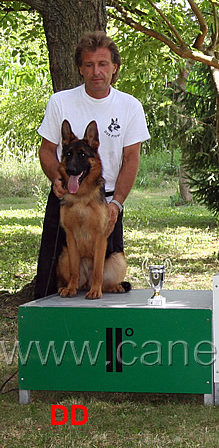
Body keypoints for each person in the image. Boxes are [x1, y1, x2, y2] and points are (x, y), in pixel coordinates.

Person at [34, 31, 150, 299]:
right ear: (80, 69)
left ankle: (108, 339)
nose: (96, 71)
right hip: (66, 199)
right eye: (89, 65)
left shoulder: (129, 106)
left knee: (109, 287)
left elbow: (131, 159)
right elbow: (47, 150)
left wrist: (116, 204)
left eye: (102, 64)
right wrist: (57, 179)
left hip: (106, 202)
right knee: (55, 288)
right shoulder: (60, 102)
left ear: (114, 68)